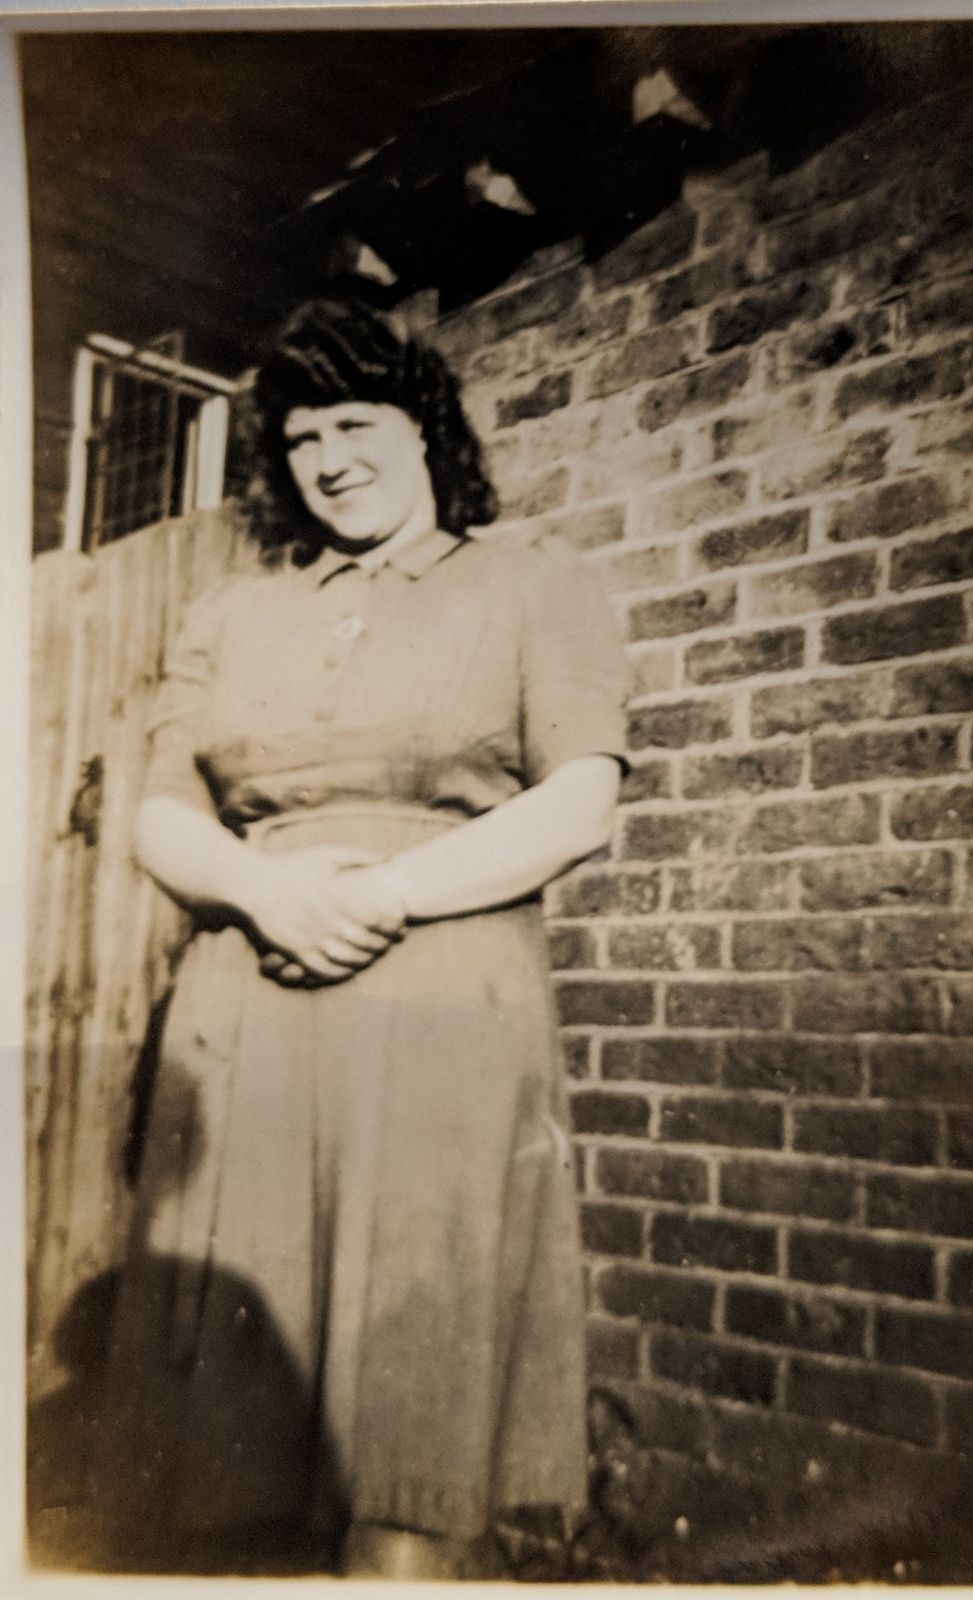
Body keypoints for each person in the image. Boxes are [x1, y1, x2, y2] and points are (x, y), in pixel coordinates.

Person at [93, 296, 628, 1577]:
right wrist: (264, 891)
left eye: (353, 424)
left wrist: (381, 894)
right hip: (249, 1003)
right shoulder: (231, 614)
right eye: (298, 438)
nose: (326, 460)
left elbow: (577, 802)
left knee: (410, 1397)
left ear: (421, 425)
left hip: (439, 1001)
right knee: (233, 1417)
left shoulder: (532, 584)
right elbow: (161, 812)